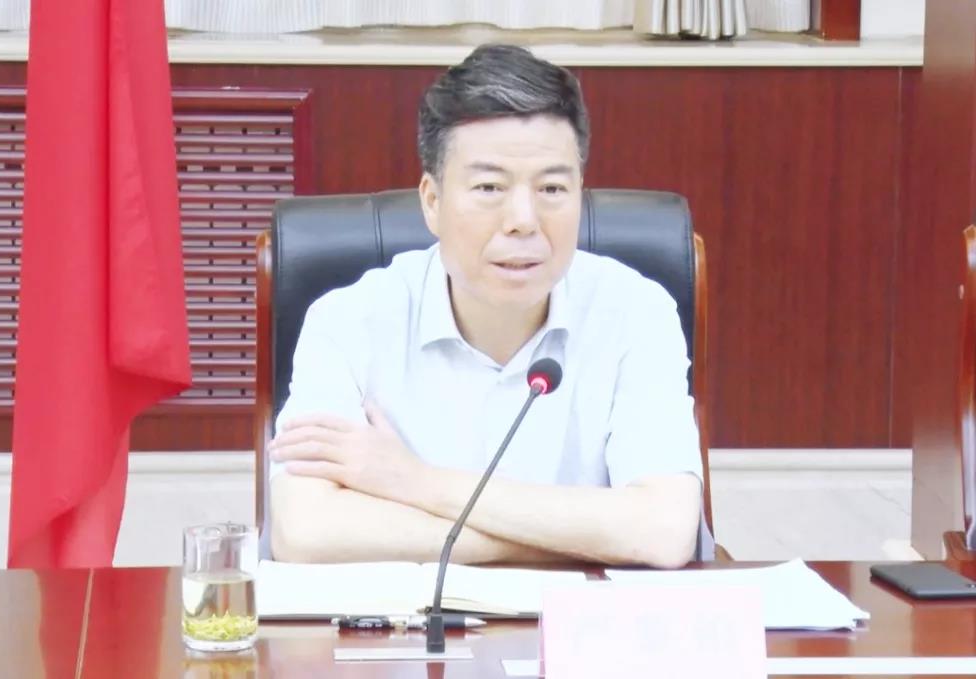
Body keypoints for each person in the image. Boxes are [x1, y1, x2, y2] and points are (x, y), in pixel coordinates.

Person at [267, 44, 708, 567]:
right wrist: (572, 540)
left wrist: (416, 482)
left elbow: (663, 531)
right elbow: (304, 531)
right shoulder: (348, 320)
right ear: (432, 201)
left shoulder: (636, 311)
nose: (523, 220)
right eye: (489, 187)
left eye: (552, 188)